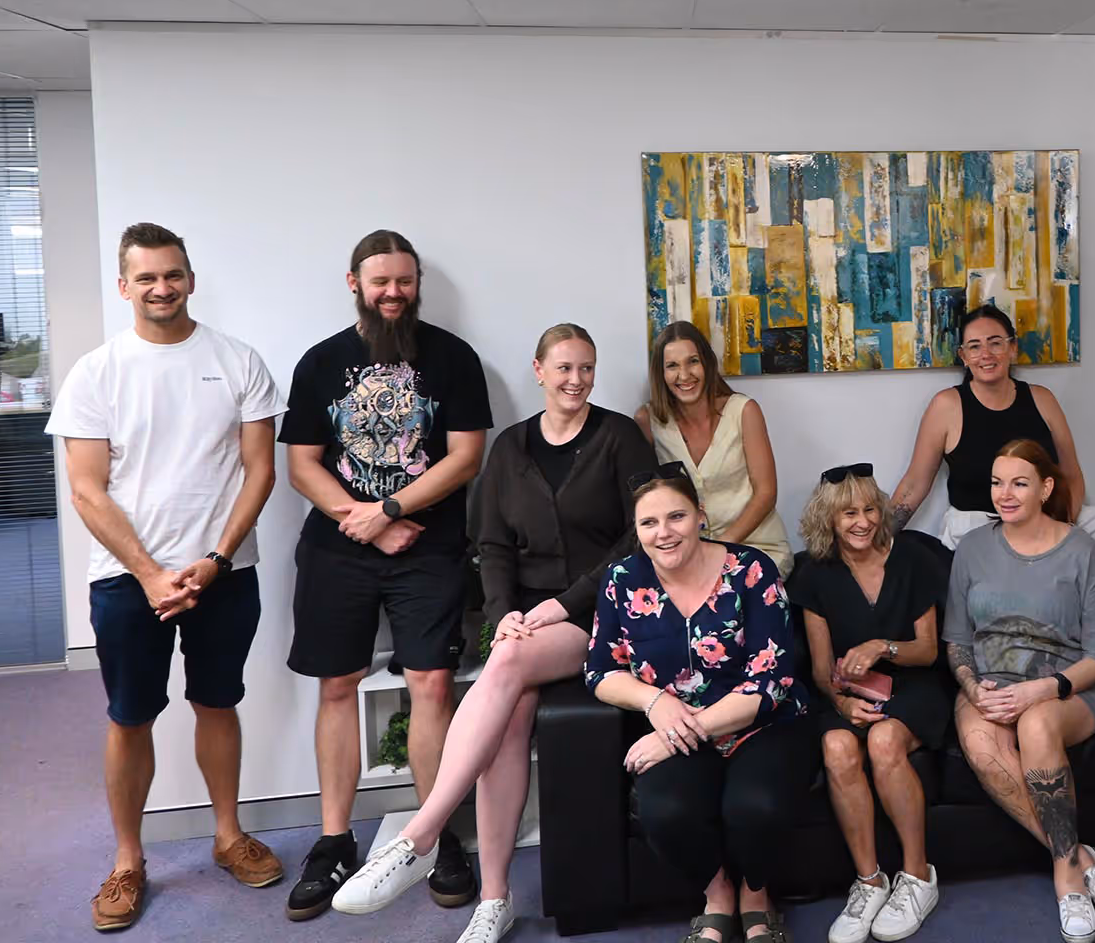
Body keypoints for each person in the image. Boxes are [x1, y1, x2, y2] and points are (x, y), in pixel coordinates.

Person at [328, 323, 657, 941]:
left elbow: (637, 539)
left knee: (503, 666)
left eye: (586, 368)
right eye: (563, 368)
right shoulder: (510, 447)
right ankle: (496, 899)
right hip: (526, 617)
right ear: (538, 370)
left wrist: (565, 605)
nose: (576, 380)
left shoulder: (621, 438)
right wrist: (504, 610)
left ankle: (421, 833)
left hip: (602, 609)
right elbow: (493, 543)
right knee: (506, 717)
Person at [48, 223, 287, 932]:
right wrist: (151, 574)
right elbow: (88, 491)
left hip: (224, 572)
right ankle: (128, 862)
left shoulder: (238, 361)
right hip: (128, 581)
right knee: (131, 717)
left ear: (190, 278)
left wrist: (213, 562)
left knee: (217, 703)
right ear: (124, 286)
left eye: (173, 274)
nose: (162, 288)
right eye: (146, 277)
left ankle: (228, 836)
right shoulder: (97, 372)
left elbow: (261, 471)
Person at [280, 230, 493, 921]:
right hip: (338, 549)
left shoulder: (455, 359)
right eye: (381, 282)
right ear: (354, 284)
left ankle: (433, 836)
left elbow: (465, 457)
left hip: (430, 548)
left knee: (430, 681)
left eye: (404, 281)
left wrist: (395, 507)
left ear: (417, 282)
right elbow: (302, 464)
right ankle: (334, 841)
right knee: (337, 684)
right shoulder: (320, 363)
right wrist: (365, 517)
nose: (393, 293)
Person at [588, 467, 813, 943]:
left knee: (757, 807)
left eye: (677, 517)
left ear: (700, 518)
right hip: (674, 728)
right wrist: (655, 704)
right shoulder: (621, 580)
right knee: (664, 812)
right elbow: (601, 672)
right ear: (637, 529)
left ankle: (756, 895)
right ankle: (719, 894)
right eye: (649, 523)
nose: (664, 532)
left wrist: (678, 735)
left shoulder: (751, 570)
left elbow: (771, 680)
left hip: (762, 725)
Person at [946, 439, 1095, 943]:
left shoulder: (1079, 550)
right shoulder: (973, 549)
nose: (1004, 494)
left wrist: (1040, 692)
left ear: (1046, 488)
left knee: (1036, 722)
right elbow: (958, 642)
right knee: (983, 747)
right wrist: (971, 684)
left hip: (1070, 684)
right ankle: (1079, 856)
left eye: (1019, 483)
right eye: (996, 482)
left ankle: (1067, 881)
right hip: (990, 683)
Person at [792, 464, 951, 943]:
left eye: (867, 510)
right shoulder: (813, 572)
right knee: (839, 749)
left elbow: (927, 651)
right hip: (844, 693)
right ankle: (868, 883)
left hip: (914, 684)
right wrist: (841, 705)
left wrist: (883, 645)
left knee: (884, 742)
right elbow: (821, 669)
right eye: (847, 514)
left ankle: (918, 877)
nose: (860, 521)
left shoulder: (914, 559)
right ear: (829, 520)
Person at [890, 305, 1095, 550]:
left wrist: (1063, 527)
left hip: (1045, 520)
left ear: (1012, 348)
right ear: (963, 356)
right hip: (978, 527)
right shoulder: (946, 406)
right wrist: (879, 540)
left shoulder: (1042, 399)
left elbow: (1071, 475)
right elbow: (914, 484)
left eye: (995, 343)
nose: (986, 354)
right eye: (974, 346)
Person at [637, 321, 792, 577]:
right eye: (672, 366)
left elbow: (766, 493)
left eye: (693, 361)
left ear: (707, 363)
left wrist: (719, 549)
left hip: (756, 548)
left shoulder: (743, 411)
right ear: (660, 374)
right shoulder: (648, 421)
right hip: (686, 556)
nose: (684, 375)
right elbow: (648, 499)